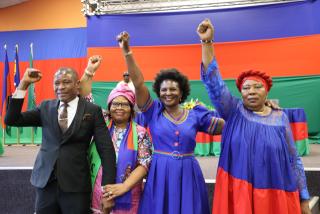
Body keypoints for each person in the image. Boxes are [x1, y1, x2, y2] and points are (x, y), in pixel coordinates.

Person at [198, 19, 311, 214]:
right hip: (241, 191)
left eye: (257, 87)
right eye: (246, 88)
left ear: (267, 93)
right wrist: (207, 43)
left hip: (276, 192)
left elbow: (294, 159)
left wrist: (304, 197)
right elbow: (214, 83)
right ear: (240, 93)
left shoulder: (280, 117)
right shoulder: (233, 111)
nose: (251, 91)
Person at [116, 31, 225, 214]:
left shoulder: (195, 115)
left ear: (181, 92)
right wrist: (127, 51)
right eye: (164, 89)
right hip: (160, 174)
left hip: (188, 174)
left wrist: (250, 110)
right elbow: (139, 82)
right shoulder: (153, 111)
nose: (168, 93)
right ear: (159, 93)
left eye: (173, 89)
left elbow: (225, 125)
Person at [5, 66, 116, 214]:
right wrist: (23, 84)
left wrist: (107, 192)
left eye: (66, 82)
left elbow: (107, 151)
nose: (60, 87)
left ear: (77, 85)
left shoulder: (92, 110)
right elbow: (12, 119)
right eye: (56, 83)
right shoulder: (45, 107)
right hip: (46, 184)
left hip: (76, 187)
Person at [80, 63, 152, 214]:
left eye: (125, 104)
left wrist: (123, 187)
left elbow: (144, 164)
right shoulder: (100, 121)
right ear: (109, 106)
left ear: (131, 109)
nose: (119, 107)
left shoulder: (140, 132)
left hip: (128, 195)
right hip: (98, 191)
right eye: (115, 103)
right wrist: (89, 72)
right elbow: (85, 97)